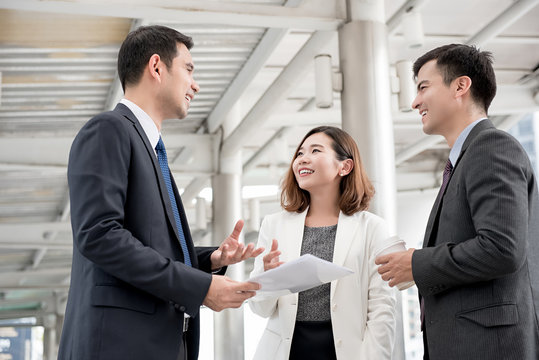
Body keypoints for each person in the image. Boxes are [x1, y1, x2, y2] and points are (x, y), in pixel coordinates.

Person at [58, 25, 263, 360]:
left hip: (160, 345)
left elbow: (146, 244)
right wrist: (201, 288)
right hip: (118, 347)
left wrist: (209, 261)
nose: (195, 85)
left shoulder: (151, 149)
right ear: (156, 67)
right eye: (189, 69)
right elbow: (99, 235)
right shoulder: (108, 130)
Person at [376, 44, 539, 359]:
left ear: (461, 86)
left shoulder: (492, 147)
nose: (414, 101)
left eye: (423, 87)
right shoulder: (464, 160)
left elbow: (502, 249)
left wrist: (417, 263)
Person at [249, 126, 397, 360]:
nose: (302, 159)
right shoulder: (274, 224)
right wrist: (269, 279)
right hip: (286, 350)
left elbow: (381, 308)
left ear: (344, 166)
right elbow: (259, 309)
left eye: (315, 151)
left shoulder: (372, 228)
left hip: (346, 351)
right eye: (299, 153)